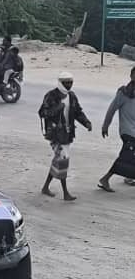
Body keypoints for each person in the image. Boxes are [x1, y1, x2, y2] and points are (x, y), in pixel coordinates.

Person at [39, 72, 92, 200]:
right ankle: (65, 192)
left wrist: (86, 122)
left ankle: (45, 187)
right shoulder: (51, 95)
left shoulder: (71, 96)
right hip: (55, 134)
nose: (69, 85)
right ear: (60, 82)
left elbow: (78, 112)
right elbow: (42, 112)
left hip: (67, 134)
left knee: (58, 160)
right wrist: (57, 108)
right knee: (63, 159)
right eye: (66, 82)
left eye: (70, 82)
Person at [98, 66, 135, 191]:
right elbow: (112, 109)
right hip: (127, 131)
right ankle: (105, 179)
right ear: (131, 76)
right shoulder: (123, 93)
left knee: (130, 155)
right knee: (125, 156)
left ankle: (129, 177)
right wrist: (105, 126)